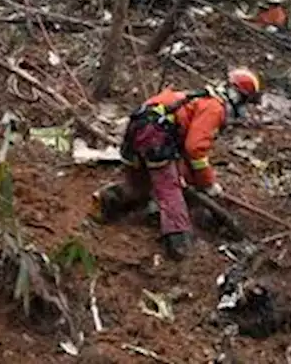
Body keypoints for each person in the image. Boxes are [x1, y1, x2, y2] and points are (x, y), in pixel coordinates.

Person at [97, 68, 263, 259]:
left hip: (141, 127)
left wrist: (192, 179)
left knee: (141, 183)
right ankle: (179, 245)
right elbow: (195, 150)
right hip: (156, 134)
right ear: (237, 96)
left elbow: (186, 149)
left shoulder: (198, 98)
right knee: (169, 189)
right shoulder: (214, 108)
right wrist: (208, 184)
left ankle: (107, 201)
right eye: (246, 102)